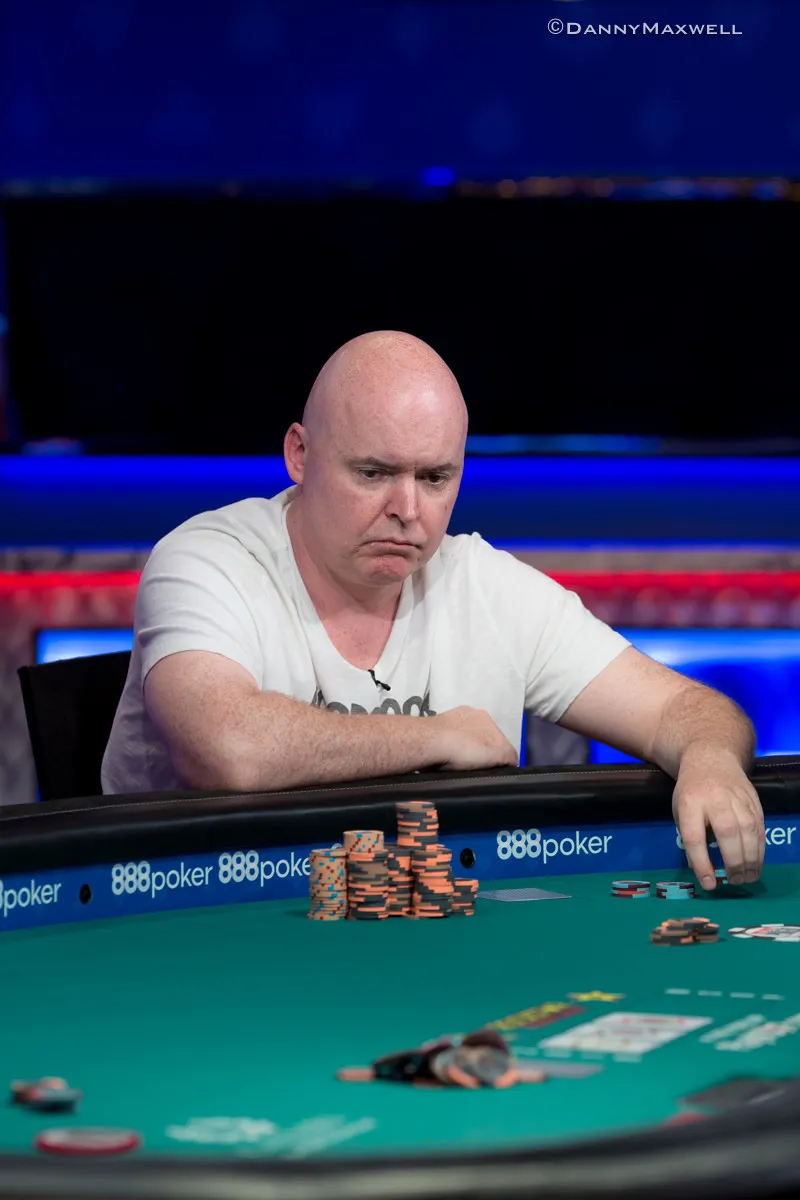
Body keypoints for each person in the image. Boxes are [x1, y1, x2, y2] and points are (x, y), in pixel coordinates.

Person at [102, 330, 765, 891]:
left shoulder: (484, 585)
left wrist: (709, 759)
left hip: (434, 937)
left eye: (435, 477)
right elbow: (228, 751)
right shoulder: (207, 561)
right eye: (372, 473)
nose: (408, 510)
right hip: (191, 920)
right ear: (299, 455)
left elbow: (685, 710)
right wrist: (439, 736)